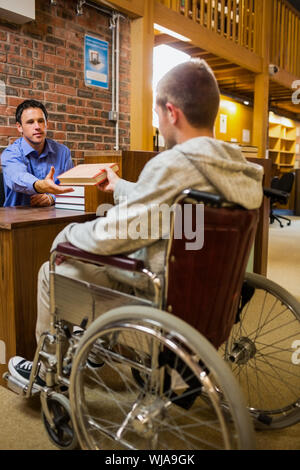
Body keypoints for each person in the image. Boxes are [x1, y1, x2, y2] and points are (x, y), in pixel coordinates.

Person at [8, 59, 264, 385]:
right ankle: (94, 347)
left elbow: (114, 236)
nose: (159, 122)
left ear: (172, 113)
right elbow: (168, 206)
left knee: (53, 267)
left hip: (158, 298)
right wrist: (120, 187)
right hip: (211, 297)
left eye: (158, 114)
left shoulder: (174, 164)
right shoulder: (237, 168)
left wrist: (67, 234)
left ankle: (47, 372)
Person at [1, 99, 74, 207]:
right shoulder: (10, 153)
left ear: (46, 124)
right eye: (30, 122)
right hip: (17, 220)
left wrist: (51, 198)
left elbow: (72, 187)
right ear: (19, 127)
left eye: (40, 121)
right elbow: (17, 178)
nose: (37, 127)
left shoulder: (63, 152)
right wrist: (42, 185)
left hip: (56, 217)